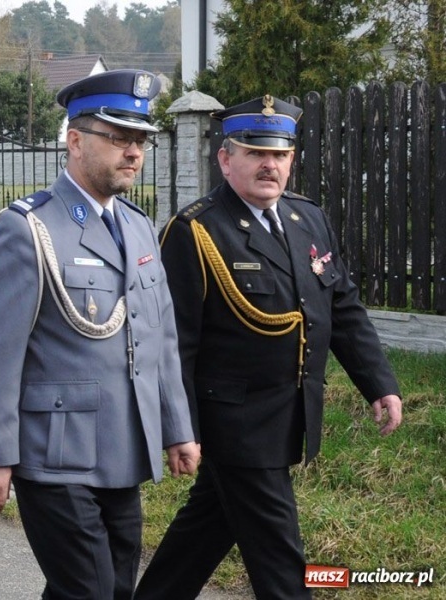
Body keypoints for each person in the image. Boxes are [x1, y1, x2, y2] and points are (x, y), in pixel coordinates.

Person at [134, 95, 403, 600]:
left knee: (205, 530)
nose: (269, 165)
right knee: (281, 562)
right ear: (225, 159)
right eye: (254, 152)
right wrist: (181, 429)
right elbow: (174, 345)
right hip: (235, 425)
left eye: (279, 155)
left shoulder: (307, 219)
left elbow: (341, 307)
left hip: (288, 415)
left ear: (291, 159)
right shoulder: (196, 231)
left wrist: (379, 383)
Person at [0, 69, 200, 600]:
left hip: (123, 445)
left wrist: (176, 426)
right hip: (55, 456)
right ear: (75, 141)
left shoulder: (138, 224)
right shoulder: (28, 227)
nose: (133, 152)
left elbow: (158, 335)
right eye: (118, 138)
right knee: (90, 590)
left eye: (140, 140)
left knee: (112, 584)